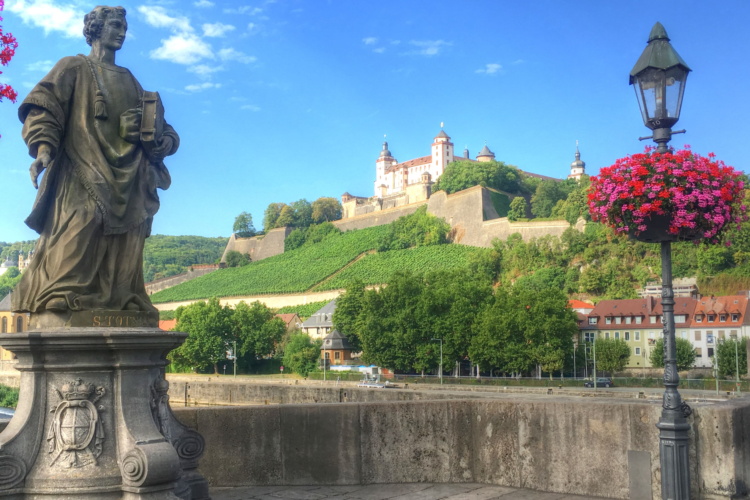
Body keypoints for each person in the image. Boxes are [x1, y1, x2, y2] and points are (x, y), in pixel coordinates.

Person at [12, 6, 179, 315]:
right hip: (83, 168)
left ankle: (121, 296)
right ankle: (60, 293)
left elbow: (164, 130)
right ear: (96, 29)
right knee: (81, 224)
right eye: (115, 25)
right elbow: (44, 108)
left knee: (128, 238)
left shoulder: (130, 80)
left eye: (124, 26)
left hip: (130, 176)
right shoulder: (72, 67)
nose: (122, 31)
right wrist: (43, 149)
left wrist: (157, 140)